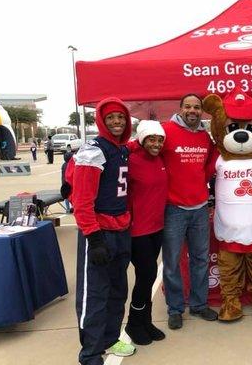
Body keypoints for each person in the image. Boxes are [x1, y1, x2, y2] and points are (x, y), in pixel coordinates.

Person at [72, 97, 135, 365]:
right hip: (100, 231)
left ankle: (109, 338)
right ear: (101, 120)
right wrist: (93, 237)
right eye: (110, 118)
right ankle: (90, 353)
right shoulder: (94, 149)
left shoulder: (121, 149)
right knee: (94, 295)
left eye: (120, 117)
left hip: (121, 229)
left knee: (117, 290)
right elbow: (81, 199)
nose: (117, 122)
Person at [160, 93, 218, 330]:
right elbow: (145, 152)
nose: (192, 111)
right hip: (173, 208)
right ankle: (175, 309)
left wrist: (197, 186)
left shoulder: (205, 136)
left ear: (201, 111)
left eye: (197, 107)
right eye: (188, 107)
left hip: (200, 207)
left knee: (200, 259)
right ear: (180, 108)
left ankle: (198, 304)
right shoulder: (165, 130)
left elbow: (209, 164)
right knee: (172, 261)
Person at [124, 120, 168, 345]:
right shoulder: (130, 159)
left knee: (148, 277)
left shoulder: (160, 159)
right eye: (152, 139)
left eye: (160, 140)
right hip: (136, 230)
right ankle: (133, 323)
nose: (157, 144)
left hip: (156, 228)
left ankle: (146, 321)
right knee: (146, 276)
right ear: (141, 139)